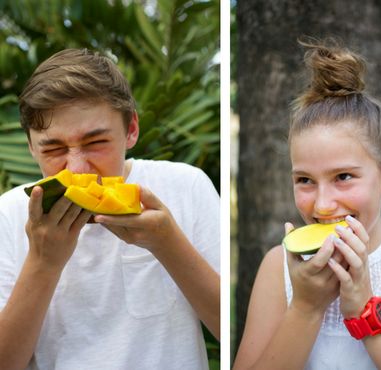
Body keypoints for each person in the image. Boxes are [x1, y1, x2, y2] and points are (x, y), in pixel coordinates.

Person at [232, 41, 381, 370]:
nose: (322, 205)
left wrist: (364, 311)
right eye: (304, 180)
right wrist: (306, 307)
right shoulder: (277, 268)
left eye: (344, 176)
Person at [0, 49, 220, 369]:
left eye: (95, 143)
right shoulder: (8, 215)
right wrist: (43, 263)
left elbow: (228, 331)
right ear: (32, 147)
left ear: (131, 129)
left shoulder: (185, 186)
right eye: (54, 148)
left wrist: (167, 243)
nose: (77, 169)